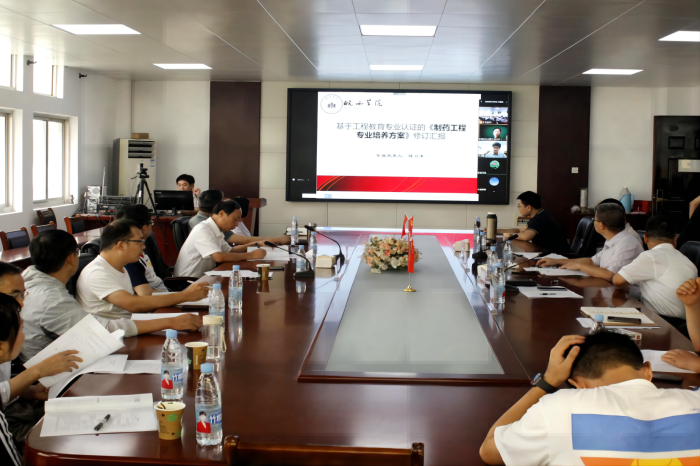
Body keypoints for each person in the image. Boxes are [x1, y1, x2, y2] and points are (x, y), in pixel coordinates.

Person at [479, 332, 700, 466]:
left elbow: (490, 451)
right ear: (648, 371)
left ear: (578, 385)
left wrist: (548, 382)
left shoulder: (560, 408)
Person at [19, 230, 202, 362]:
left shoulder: (29, 280)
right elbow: (100, 329)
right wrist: (170, 322)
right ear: (70, 258)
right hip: (51, 373)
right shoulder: (51, 299)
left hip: (66, 354)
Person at [0, 270, 82, 450]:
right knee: (67, 439)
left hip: (14, 405)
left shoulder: (7, 326)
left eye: (23, 294)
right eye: (14, 295)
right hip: (9, 418)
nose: (21, 303)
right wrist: (36, 371)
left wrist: (28, 391)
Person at [77, 219, 209, 320]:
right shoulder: (97, 272)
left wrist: (183, 297)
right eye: (139, 241)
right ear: (121, 245)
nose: (144, 247)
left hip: (132, 325)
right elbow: (133, 304)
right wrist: (184, 296)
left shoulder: (120, 267)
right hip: (114, 336)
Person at [612, 215, 698, 328]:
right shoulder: (689, 262)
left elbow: (617, 280)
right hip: (687, 326)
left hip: (661, 323)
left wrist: (626, 287)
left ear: (645, 238)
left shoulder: (651, 256)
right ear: (675, 239)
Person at [536, 203, 643, 280]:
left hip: (627, 296)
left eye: (594, 219)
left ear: (601, 225)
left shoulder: (628, 244)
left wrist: (580, 266)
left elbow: (610, 274)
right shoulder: (613, 240)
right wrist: (556, 261)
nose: (593, 222)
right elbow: (592, 261)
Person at [175, 199, 267, 278]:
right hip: (189, 281)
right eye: (235, 219)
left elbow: (230, 251)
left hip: (204, 278)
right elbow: (218, 257)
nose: (237, 224)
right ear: (221, 213)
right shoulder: (203, 229)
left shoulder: (215, 229)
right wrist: (251, 255)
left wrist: (256, 244)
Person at [189, 190, 290, 246]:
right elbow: (242, 240)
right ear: (219, 208)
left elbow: (229, 250)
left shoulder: (205, 220)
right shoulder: (203, 224)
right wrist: (278, 239)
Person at [114, 204, 168, 295]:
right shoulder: (130, 257)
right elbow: (145, 294)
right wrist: (182, 296)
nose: (144, 247)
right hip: (159, 301)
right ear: (144, 229)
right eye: (151, 223)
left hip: (165, 295)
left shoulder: (135, 249)